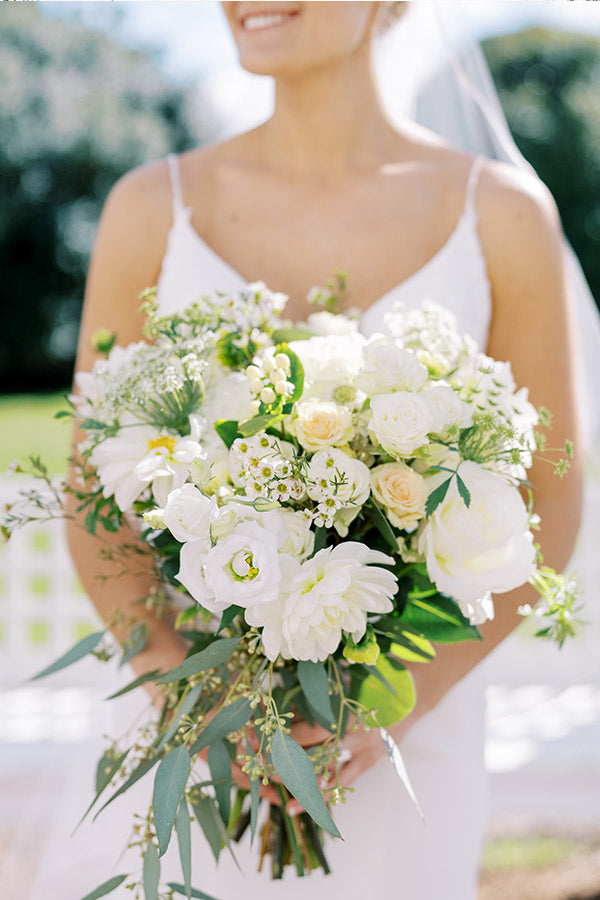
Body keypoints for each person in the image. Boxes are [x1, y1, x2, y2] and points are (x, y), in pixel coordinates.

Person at [67, 2, 582, 897]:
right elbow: (91, 485)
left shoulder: (500, 214)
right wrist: (185, 693)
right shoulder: (151, 208)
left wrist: (390, 713)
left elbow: (552, 496)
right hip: (195, 736)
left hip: (410, 745)